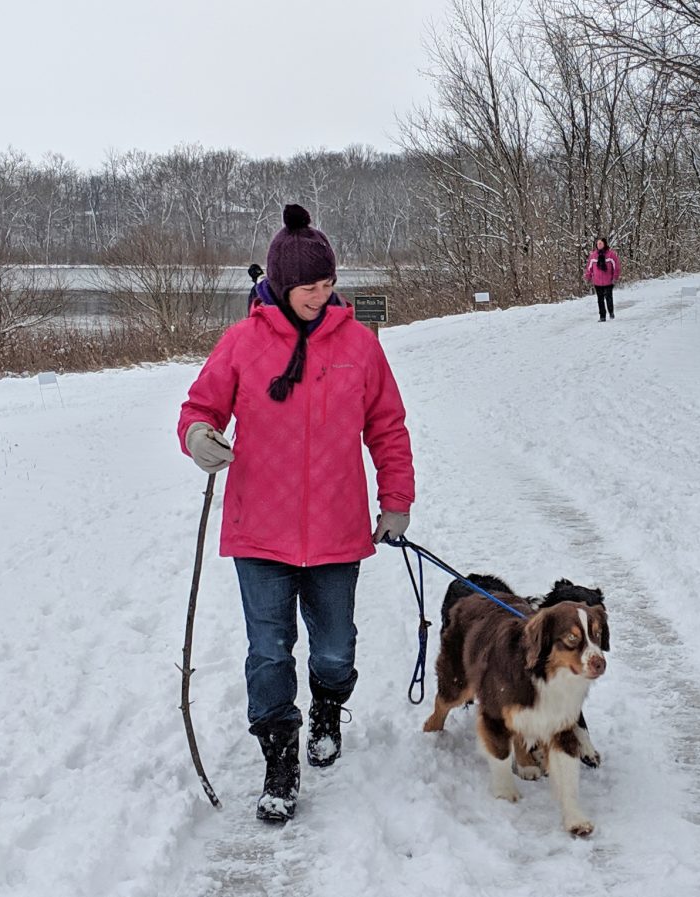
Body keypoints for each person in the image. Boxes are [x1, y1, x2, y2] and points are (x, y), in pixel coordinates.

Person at [177, 204, 415, 822]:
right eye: (308, 285)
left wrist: (396, 502)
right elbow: (199, 407)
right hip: (260, 530)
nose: (320, 294)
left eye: (328, 282)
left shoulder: (360, 346)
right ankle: (280, 756)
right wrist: (200, 436)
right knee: (267, 652)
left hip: (337, 531)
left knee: (335, 650)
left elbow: (387, 427)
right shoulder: (242, 343)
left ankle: (328, 709)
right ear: (282, 284)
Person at [584, 237, 621, 321]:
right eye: (597, 244)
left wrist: (615, 277)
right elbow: (589, 268)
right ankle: (602, 316)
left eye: (600, 243)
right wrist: (588, 276)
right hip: (597, 282)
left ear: (604, 244)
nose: (599, 245)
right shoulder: (593, 255)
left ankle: (611, 312)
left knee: (609, 298)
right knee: (600, 300)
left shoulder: (611, 254)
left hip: (608, 280)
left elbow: (616, 266)